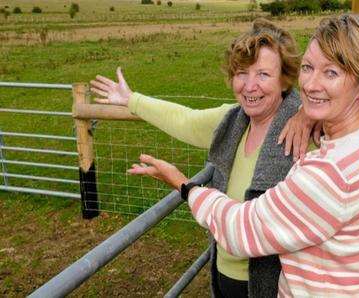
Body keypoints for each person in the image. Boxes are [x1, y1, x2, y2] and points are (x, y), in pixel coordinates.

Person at [128, 14, 359, 297]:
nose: (310, 85)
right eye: (308, 68)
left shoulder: (329, 171)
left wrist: (183, 185)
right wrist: (306, 113)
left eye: (331, 72)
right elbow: (187, 120)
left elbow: (241, 230)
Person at [91, 19, 319, 297]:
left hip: (275, 284)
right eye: (241, 73)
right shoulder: (232, 121)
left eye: (263, 74)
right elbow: (185, 120)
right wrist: (131, 99)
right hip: (223, 272)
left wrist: (308, 112)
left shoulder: (306, 134)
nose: (249, 86)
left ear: (285, 80)